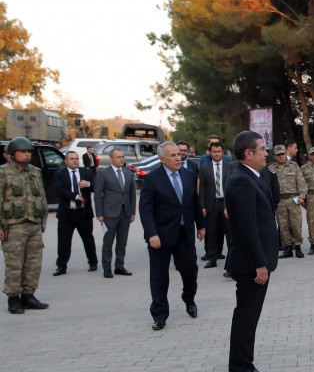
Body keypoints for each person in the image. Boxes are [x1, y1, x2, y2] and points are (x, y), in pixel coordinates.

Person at [225, 130, 279, 372]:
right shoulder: (241, 181)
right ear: (249, 154)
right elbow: (246, 228)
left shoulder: (253, 176)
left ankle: (247, 364)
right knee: (245, 318)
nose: (266, 153)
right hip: (250, 265)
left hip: (256, 261)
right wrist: (260, 263)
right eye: (262, 149)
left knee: (251, 317)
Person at [139, 141, 205, 331]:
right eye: (173, 155)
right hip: (160, 237)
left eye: (179, 154)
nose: (178, 158)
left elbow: (193, 201)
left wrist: (201, 225)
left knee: (190, 270)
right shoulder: (152, 179)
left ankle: (189, 300)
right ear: (162, 159)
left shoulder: (188, 174)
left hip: (184, 234)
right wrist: (151, 233)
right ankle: (159, 314)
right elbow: (145, 209)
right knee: (159, 276)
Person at [0, 137, 49, 314]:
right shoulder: (3, 172)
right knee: (14, 264)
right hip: (14, 226)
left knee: (33, 262)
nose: (27, 154)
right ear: (12, 154)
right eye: (23, 151)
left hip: (34, 225)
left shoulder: (35, 172)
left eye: (29, 151)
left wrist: (43, 220)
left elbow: (41, 197)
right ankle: (13, 298)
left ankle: (28, 295)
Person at [52, 151, 99, 275]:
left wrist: (87, 184)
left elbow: (96, 187)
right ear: (66, 161)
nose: (75, 161)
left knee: (88, 239)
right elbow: (58, 189)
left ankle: (93, 262)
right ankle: (61, 266)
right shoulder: (59, 174)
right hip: (67, 213)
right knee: (64, 241)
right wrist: (75, 196)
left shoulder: (86, 172)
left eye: (76, 158)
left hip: (83, 213)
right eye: (72, 159)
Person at [93, 148, 136, 278]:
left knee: (122, 242)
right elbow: (97, 195)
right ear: (111, 159)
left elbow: (132, 195)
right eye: (118, 157)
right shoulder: (103, 173)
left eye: (123, 156)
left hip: (125, 213)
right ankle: (107, 268)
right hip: (109, 213)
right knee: (108, 242)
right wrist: (99, 213)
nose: (122, 159)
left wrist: (132, 211)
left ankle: (119, 266)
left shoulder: (128, 174)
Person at [269, 144, 307, 259]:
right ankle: (288, 248)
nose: (281, 156)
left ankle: (298, 247)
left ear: (286, 154)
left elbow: (301, 182)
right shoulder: (271, 169)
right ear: (275, 156)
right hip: (279, 201)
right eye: (278, 155)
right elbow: (268, 187)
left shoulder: (294, 166)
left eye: (282, 154)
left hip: (293, 199)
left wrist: (302, 196)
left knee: (296, 225)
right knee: (283, 226)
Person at [198, 141, 232, 268]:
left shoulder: (230, 167)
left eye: (219, 151)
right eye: (214, 152)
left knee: (230, 233)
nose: (216, 154)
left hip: (226, 204)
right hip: (211, 205)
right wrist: (202, 206)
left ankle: (232, 259)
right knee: (212, 233)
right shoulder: (204, 169)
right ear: (209, 153)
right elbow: (201, 190)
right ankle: (212, 258)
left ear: (222, 152)